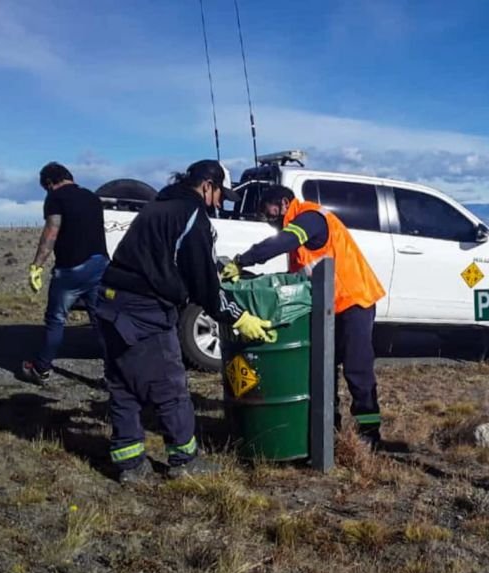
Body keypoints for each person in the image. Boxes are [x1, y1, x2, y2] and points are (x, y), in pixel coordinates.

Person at [97, 159, 272, 484]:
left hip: (110, 301)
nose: (220, 203)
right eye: (220, 194)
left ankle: (130, 464)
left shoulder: (157, 207)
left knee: (124, 386)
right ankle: (184, 460)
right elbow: (205, 288)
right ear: (207, 186)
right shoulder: (192, 217)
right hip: (143, 311)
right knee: (170, 387)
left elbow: (163, 258)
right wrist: (238, 316)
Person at [223, 185, 386, 448]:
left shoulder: (310, 219)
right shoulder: (298, 225)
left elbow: (283, 242)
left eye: (270, 209)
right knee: (322, 366)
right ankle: (327, 426)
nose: (268, 217)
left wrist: (243, 260)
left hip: (354, 301)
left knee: (357, 368)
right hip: (328, 306)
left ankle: (369, 433)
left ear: (285, 203)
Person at [21, 162, 109, 385]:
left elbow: (51, 233)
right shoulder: (92, 197)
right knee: (101, 321)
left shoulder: (55, 198)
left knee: (56, 320)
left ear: (50, 182)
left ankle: (41, 369)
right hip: (100, 264)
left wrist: (36, 266)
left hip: (71, 269)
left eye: (46, 187)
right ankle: (114, 375)